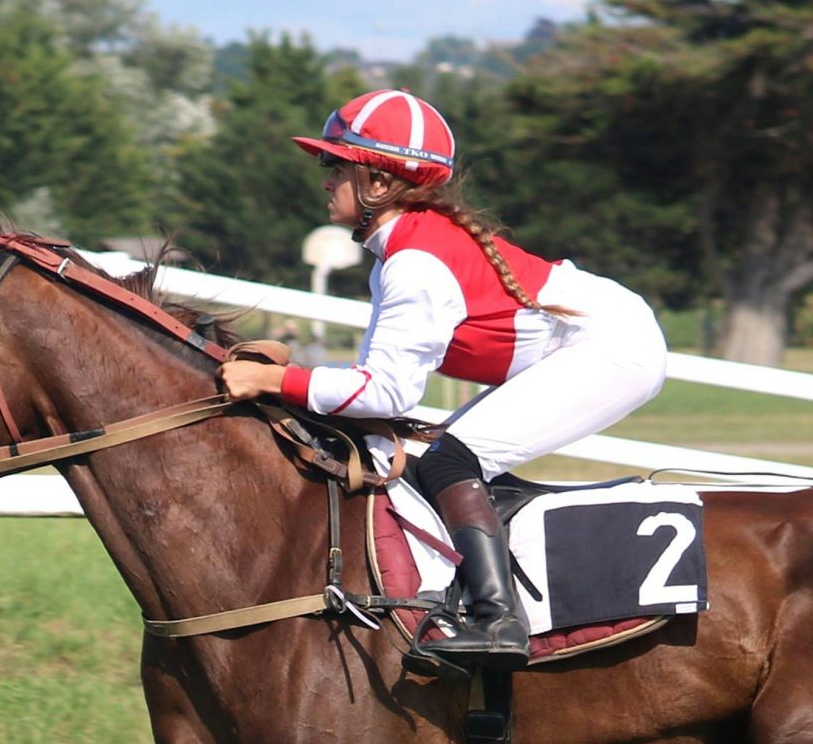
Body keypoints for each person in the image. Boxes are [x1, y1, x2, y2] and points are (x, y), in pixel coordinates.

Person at [218, 89, 669, 669]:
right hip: (602, 335)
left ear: (378, 183)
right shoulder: (401, 251)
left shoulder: (415, 264)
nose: (324, 178)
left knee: (451, 461)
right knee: (432, 460)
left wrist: (274, 383)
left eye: (336, 165)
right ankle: (481, 594)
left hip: (613, 347)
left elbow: (383, 392)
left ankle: (500, 621)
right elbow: (373, 390)